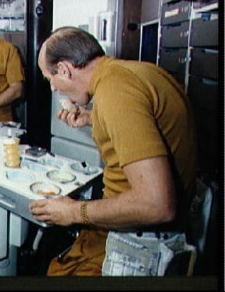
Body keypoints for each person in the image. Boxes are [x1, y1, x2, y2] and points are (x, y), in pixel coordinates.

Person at [29, 26, 197, 276]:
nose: (53, 88)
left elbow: (157, 204)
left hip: (141, 245)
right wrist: (92, 118)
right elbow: (148, 126)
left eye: (50, 78)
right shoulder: (137, 72)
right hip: (159, 233)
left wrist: (73, 212)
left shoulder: (113, 92)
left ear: (64, 69)